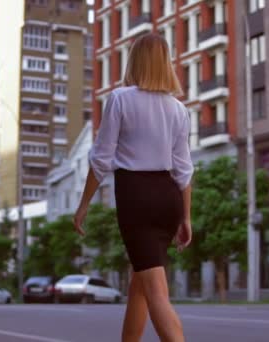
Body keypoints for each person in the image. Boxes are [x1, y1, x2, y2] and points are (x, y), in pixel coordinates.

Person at [73, 33, 194, 342]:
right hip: (168, 199)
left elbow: (101, 159)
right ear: (165, 64)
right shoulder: (179, 110)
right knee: (140, 283)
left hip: (136, 198)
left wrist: (84, 204)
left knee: (155, 292)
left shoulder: (120, 99)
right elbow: (183, 171)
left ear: (135, 62)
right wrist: (186, 217)